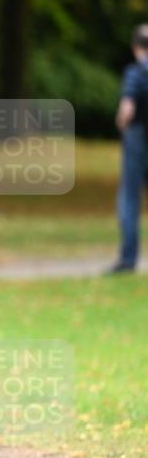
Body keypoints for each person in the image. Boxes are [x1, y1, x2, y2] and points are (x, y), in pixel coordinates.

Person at [107, 23, 148, 273]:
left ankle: (128, 258)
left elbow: (127, 107)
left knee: (129, 197)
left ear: (135, 48)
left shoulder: (136, 72)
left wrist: (121, 122)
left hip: (138, 137)